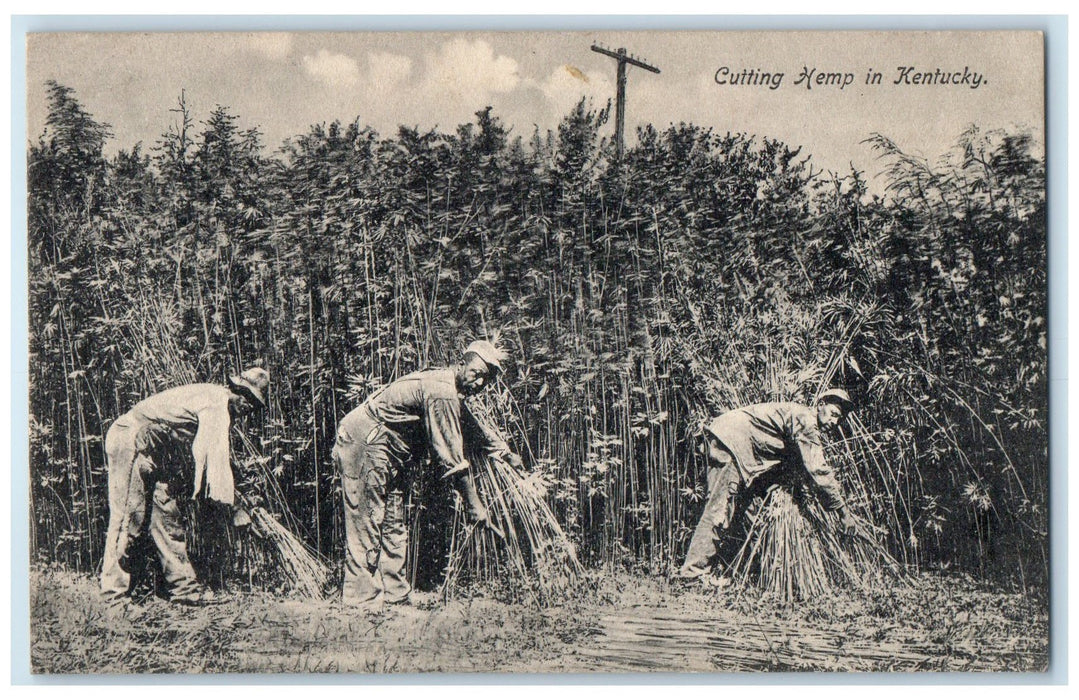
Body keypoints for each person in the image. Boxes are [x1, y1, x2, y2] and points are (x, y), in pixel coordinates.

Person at [334, 340, 522, 609]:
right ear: (462, 363)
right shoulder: (442, 391)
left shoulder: (449, 390)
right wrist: (474, 505)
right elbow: (453, 459)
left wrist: (504, 453)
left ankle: (394, 593)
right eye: (477, 373)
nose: (480, 383)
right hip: (364, 441)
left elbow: (471, 427)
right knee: (367, 518)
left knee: (393, 519)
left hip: (388, 452)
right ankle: (361, 600)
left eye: (486, 380)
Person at [100, 367, 269, 605]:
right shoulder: (216, 405)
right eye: (248, 398)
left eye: (255, 404)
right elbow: (217, 469)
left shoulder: (218, 405)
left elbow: (199, 456)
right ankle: (114, 597)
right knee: (127, 518)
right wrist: (236, 509)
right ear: (236, 390)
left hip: (156, 451)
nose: (249, 408)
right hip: (130, 439)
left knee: (167, 516)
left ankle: (182, 589)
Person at [678, 388, 857, 581]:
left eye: (839, 419)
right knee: (720, 508)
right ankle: (692, 573)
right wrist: (843, 512)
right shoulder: (806, 419)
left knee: (747, 512)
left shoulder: (798, 417)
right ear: (820, 404)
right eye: (834, 414)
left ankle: (736, 570)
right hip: (732, 443)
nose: (834, 422)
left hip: (736, 446)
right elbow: (817, 469)